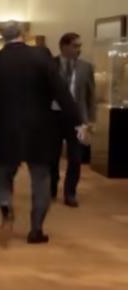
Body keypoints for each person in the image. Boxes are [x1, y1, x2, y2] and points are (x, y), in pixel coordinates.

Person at [0, 22, 83, 244]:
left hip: (4, 128)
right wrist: (77, 121)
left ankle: (6, 208)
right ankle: (36, 229)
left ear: (2, 36)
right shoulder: (42, 57)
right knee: (41, 178)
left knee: (3, 174)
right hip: (40, 129)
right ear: (23, 34)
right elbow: (61, 92)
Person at [51, 32, 96, 207]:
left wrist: (90, 120)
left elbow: (90, 95)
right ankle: (51, 187)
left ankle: (70, 193)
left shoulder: (86, 67)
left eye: (79, 46)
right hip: (54, 116)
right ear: (64, 46)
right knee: (52, 156)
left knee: (76, 157)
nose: (79, 49)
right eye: (75, 46)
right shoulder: (50, 65)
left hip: (77, 119)